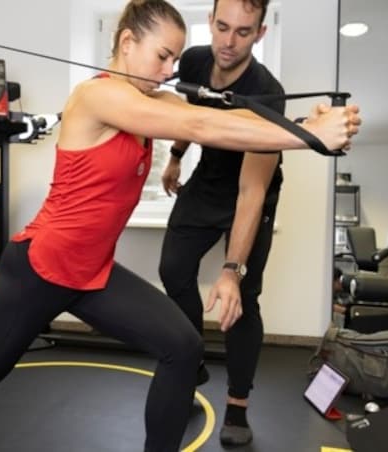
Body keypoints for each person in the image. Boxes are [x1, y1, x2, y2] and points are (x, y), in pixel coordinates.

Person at [0, 1, 360, 451]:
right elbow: (199, 128)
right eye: (163, 56)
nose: (170, 71)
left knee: (182, 347)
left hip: (93, 273)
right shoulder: (97, 98)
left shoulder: (152, 98)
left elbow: (224, 124)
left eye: (175, 59)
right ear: (127, 43)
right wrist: (314, 137)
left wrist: (299, 126)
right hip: (40, 271)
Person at [157, 0, 319, 446]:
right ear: (209, 21)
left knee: (243, 295)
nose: (228, 42)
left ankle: (238, 406)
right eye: (222, 27)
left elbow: (251, 190)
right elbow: (191, 117)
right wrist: (173, 158)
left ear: (260, 33)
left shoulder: (267, 92)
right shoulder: (192, 60)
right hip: (208, 177)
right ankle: (192, 361)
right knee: (173, 270)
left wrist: (231, 269)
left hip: (253, 190)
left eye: (243, 32)